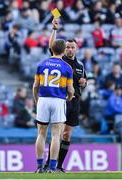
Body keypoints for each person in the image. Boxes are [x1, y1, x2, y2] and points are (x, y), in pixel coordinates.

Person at [45, 19, 87, 172]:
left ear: (76, 48)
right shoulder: (60, 60)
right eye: (67, 47)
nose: (69, 49)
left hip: (75, 103)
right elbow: (51, 46)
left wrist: (84, 82)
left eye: (72, 47)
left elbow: (84, 81)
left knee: (67, 135)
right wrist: (54, 29)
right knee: (58, 133)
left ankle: (60, 166)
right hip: (62, 101)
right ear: (64, 49)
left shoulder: (80, 65)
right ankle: (49, 164)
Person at [33, 39, 74, 173]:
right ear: (63, 50)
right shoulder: (67, 67)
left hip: (43, 100)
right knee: (56, 135)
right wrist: (68, 98)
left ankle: (39, 166)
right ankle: (51, 167)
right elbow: (70, 90)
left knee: (41, 133)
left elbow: (35, 86)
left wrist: (36, 100)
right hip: (58, 101)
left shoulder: (41, 64)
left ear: (52, 48)